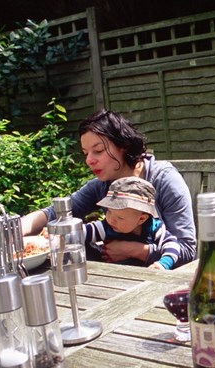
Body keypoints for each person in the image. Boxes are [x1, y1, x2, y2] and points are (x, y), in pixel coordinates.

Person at [21, 109, 196, 268]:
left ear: (123, 146)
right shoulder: (102, 184)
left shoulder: (164, 180)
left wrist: (135, 250)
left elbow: (188, 251)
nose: (89, 160)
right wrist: (14, 231)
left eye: (98, 151)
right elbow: (53, 214)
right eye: (85, 153)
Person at [83, 176, 181, 269]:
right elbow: (80, 232)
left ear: (141, 219)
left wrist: (163, 264)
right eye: (109, 211)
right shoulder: (106, 227)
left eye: (120, 217)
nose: (111, 219)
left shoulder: (154, 228)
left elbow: (173, 246)